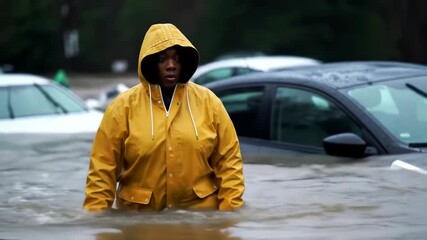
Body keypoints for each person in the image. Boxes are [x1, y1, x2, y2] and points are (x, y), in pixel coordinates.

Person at [83, 23, 245, 212]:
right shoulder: (122, 107)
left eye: (177, 59)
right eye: (162, 59)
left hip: (199, 218)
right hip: (140, 220)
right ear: (150, 63)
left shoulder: (209, 102)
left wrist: (229, 216)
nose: (171, 65)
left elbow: (230, 163)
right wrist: (96, 222)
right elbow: (102, 170)